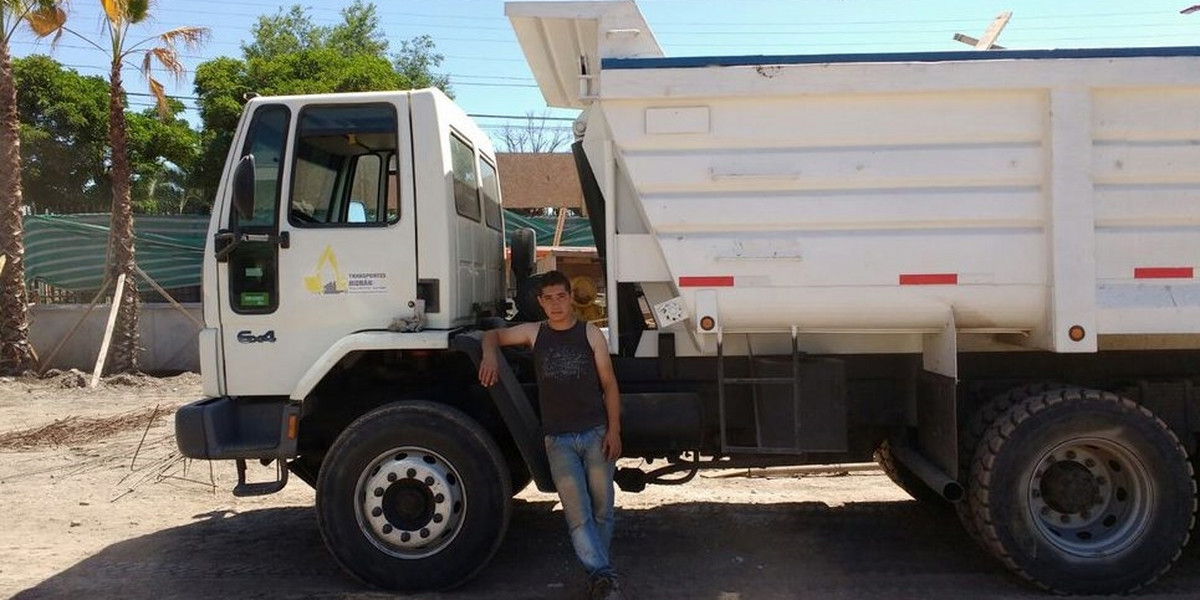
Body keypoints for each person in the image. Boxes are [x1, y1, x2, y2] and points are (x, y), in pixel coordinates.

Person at [478, 270, 624, 600]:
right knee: (577, 514)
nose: (556, 304)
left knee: (603, 509)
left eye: (561, 296)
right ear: (540, 303)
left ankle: (599, 574)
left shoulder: (590, 334)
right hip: (558, 440)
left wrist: (614, 430)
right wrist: (489, 355)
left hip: (595, 433)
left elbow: (609, 384)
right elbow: (491, 337)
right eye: (549, 298)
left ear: (571, 297)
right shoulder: (534, 333)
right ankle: (603, 575)